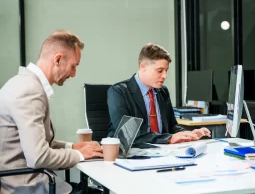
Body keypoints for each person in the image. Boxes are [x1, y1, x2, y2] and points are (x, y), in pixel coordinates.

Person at [0, 30, 103, 194]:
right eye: (73, 66)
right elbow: (38, 157)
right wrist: (80, 154)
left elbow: (37, 142)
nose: (74, 74)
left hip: (27, 182)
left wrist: (73, 146)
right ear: (58, 59)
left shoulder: (23, 84)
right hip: (25, 187)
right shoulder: (29, 91)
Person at [107, 43, 211, 144]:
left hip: (161, 151)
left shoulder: (163, 91)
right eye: (160, 70)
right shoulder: (119, 91)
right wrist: (168, 139)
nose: (165, 76)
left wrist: (188, 134)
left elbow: (172, 126)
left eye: (166, 70)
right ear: (143, 66)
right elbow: (127, 134)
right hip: (131, 153)